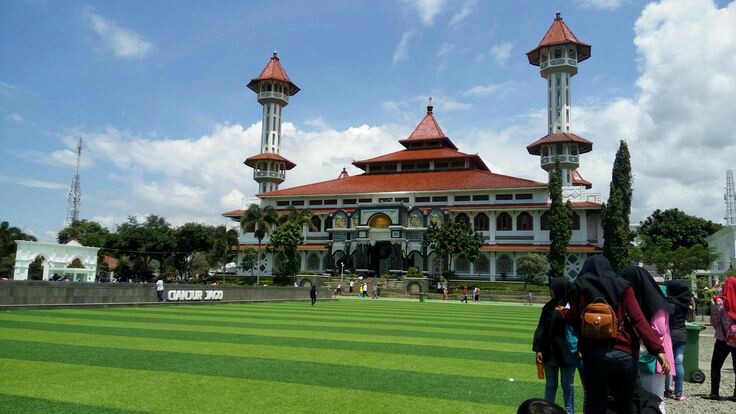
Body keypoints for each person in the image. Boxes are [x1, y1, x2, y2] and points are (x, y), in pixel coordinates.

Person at [557, 255, 668, 414]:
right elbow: (638, 320)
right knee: (625, 405)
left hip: (594, 354)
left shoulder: (580, 287)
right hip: (624, 352)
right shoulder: (623, 287)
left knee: (595, 404)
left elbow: (574, 318)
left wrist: (563, 313)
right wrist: (658, 350)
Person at [619, 266, 675, 413]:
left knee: (655, 399)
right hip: (646, 354)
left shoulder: (656, 302)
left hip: (656, 357)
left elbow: (659, 330)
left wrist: (638, 332)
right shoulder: (642, 301)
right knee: (643, 399)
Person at [533, 278, 580, 414]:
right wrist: (538, 350)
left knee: (567, 386)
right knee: (551, 385)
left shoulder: (572, 307)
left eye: (552, 288)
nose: (551, 291)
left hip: (568, 353)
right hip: (549, 352)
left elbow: (577, 327)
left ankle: (569, 412)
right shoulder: (548, 307)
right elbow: (540, 329)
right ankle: (547, 412)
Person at [705, 276, 736, 401]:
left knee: (716, 365)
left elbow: (714, 320)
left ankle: (714, 392)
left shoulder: (720, 302)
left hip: (722, 338)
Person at [663, 279, 690, 401]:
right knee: (678, 363)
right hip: (682, 334)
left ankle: (668, 389)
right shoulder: (684, 303)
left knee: (667, 361)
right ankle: (679, 394)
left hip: (670, 334)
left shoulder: (669, 304)